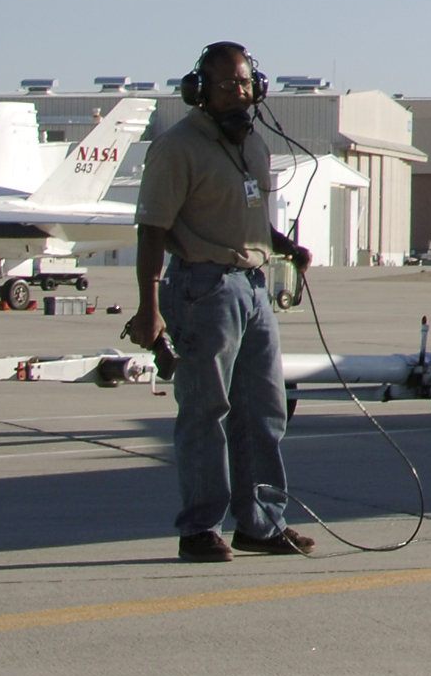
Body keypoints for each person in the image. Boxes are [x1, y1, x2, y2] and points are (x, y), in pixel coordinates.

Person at [123, 42, 316, 561]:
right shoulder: (177, 147)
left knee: (265, 411)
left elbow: (248, 213)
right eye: (227, 84)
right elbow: (151, 231)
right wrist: (149, 308)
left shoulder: (253, 146)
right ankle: (199, 527)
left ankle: (260, 523)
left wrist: (284, 246)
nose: (240, 93)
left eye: (246, 83)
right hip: (201, 290)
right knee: (207, 410)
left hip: (254, 289)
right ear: (199, 91)